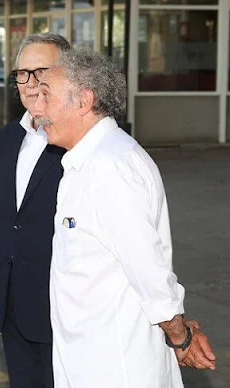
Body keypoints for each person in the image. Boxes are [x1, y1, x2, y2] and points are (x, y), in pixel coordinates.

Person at [33, 49, 216, 387]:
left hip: (115, 365)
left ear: (83, 101)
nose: (36, 108)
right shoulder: (87, 161)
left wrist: (180, 337)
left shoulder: (109, 168)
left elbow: (147, 266)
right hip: (89, 357)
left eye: (46, 95)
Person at [0, 33, 71, 388]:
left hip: (66, 310)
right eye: (22, 73)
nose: (30, 83)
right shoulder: (10, 138)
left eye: (41, 71)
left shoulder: (78, 143)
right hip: (11, 308)